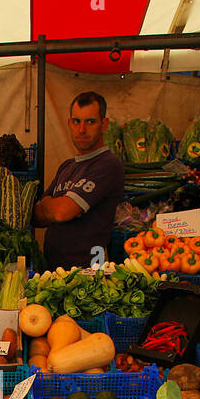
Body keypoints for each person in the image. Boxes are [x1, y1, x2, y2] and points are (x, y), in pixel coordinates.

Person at [32, 91, 124, 269]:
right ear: (69, 124)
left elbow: (61, 212)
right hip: (55, 272)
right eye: (76, 121)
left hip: (87, 275)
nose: (82, 129)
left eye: (90, 122)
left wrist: (52, 205)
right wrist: (56, 206)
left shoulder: (108, 165)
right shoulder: (67, 166)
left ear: (104, 124)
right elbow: (37, 216)